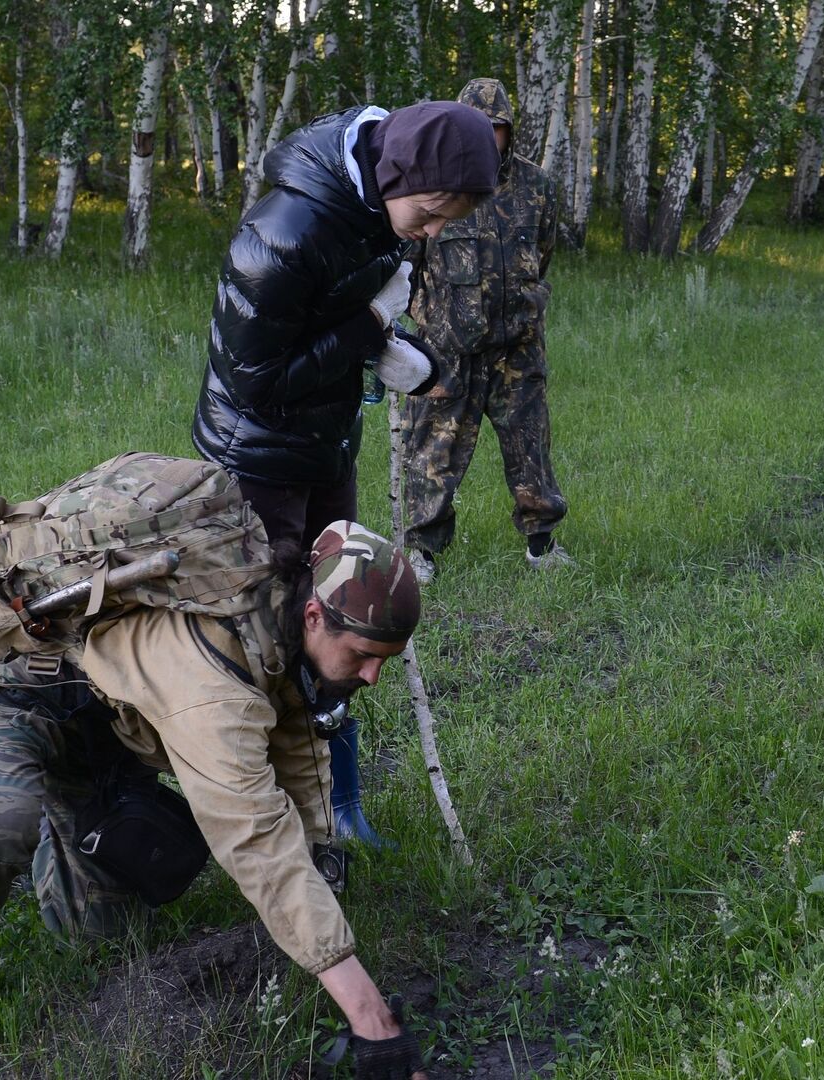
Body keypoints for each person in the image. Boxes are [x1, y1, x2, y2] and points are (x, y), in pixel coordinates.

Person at [0, 516, 432, 1080]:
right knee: (0, 823)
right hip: (22, 698)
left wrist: (319, 852)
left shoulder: (281, 615)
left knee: (98, 931)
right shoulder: (213, 685)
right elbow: (254, 836)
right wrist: (369, 1016)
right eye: (363, 655)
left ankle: (60, 820)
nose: (375, 676)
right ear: (315, 615)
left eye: (386, 657)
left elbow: (295, 738)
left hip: (110, 732)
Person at [192, 100, 498, 847]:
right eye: (428, 213)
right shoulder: (283, 233)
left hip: (327, 442)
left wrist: (401, 354)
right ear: (395, 173)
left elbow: (352, 318)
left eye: (443, 222)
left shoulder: (380, 214)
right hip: (255, 455)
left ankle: (338, 802)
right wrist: (367, 333)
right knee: (265, 630)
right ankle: (263, 815)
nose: (429, 233)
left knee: (346, 610)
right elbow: (258, 380)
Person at [399, 78, 571, 585]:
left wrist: (523, 304)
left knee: (530, 445)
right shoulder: (433, 182)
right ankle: (422, 550)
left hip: (516, 346)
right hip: (449, 349)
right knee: (433, 450)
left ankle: (542, 544)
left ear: (509, 131)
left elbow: (542, 254)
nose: (489, 137)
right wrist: (432, 322)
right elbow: (406, 262)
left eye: (497, 128)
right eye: (480, 127)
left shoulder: (537, 186)